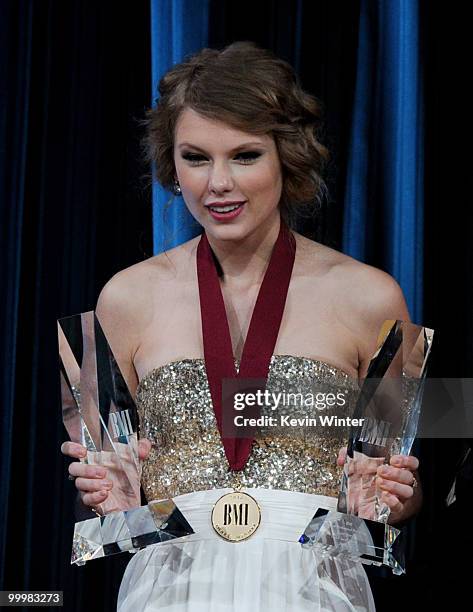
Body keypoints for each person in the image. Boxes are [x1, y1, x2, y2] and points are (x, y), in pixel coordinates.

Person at [61, 41, 421, 611]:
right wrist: (117, 504)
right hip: (170, 590)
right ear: (172, 165)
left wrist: (392, 501)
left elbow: (405, 483)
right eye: (196, 157)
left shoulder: (372, 296)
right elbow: (118, 521)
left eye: (245, 155)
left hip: (313, 590)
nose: (218, 183)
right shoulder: (124, 297)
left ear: (287, 157)